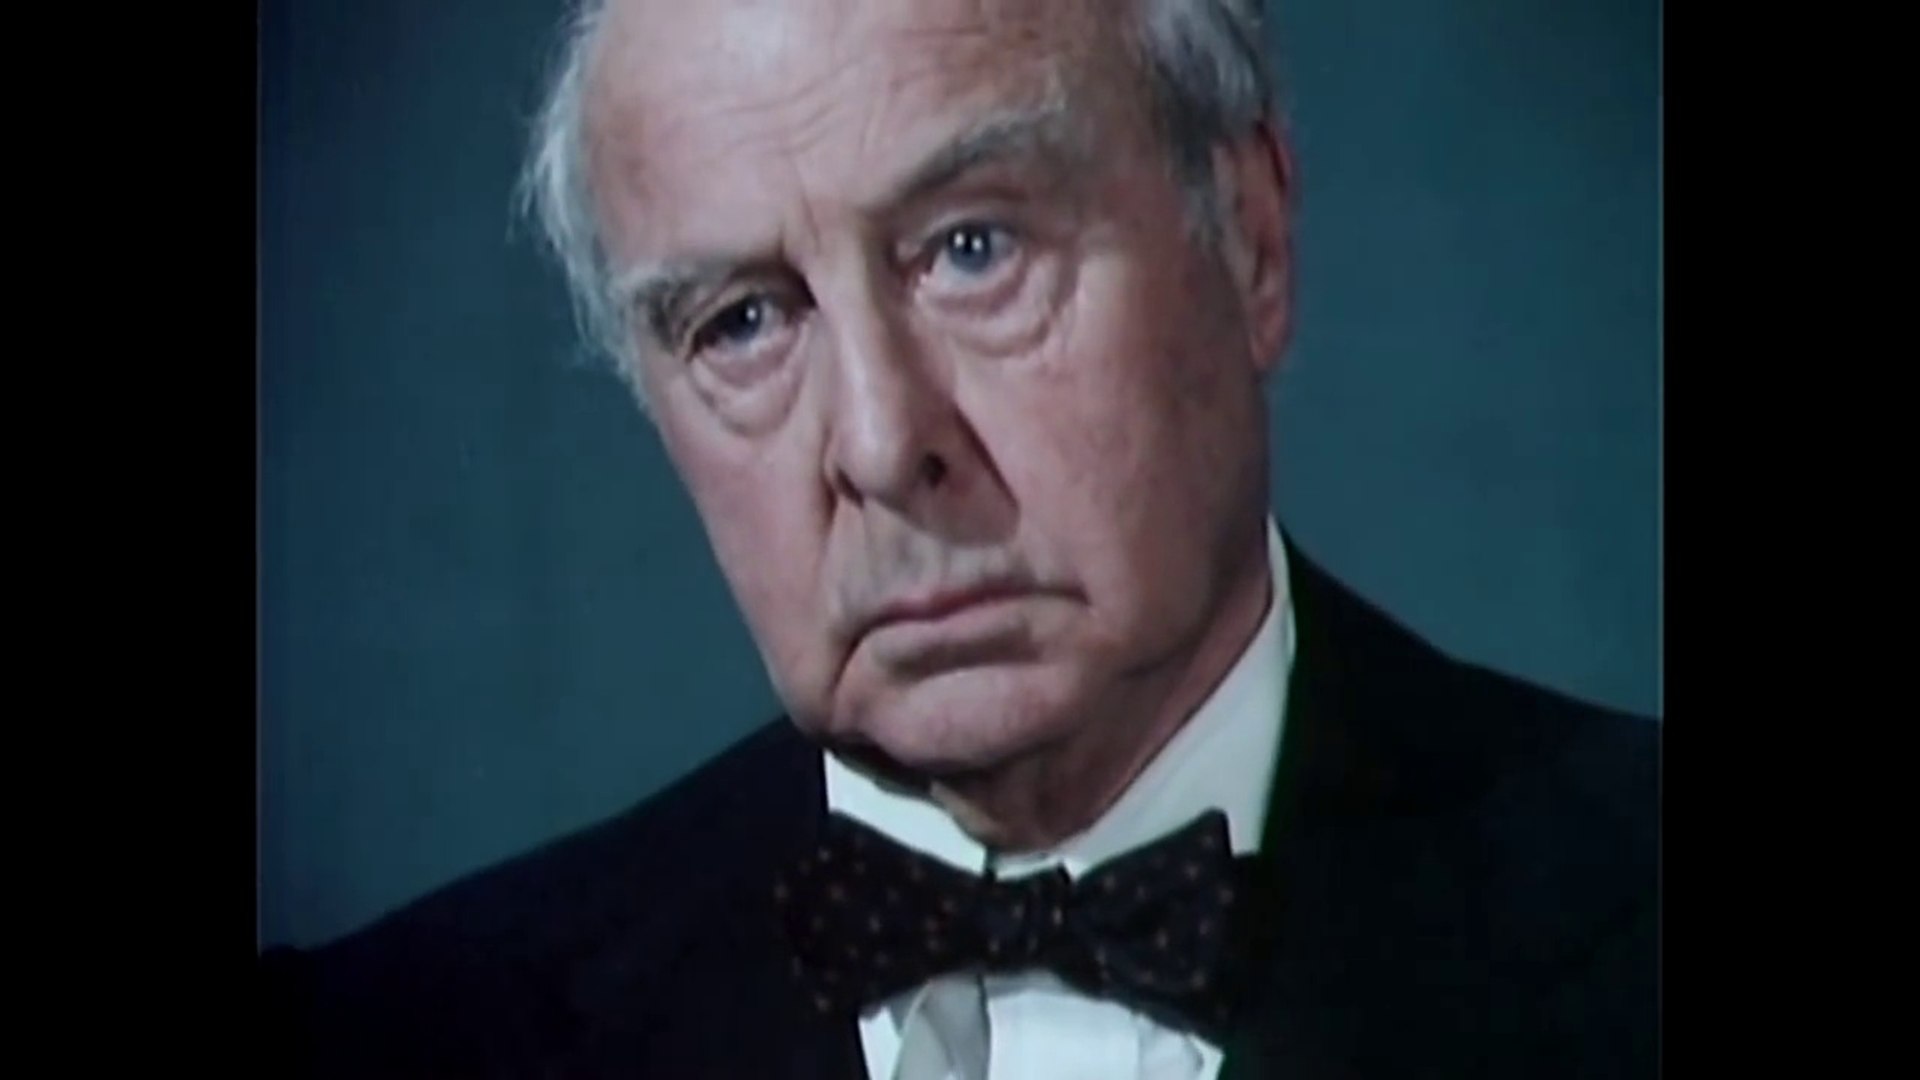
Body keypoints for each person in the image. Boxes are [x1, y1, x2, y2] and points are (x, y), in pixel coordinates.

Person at [258, 0, 1659, 1076]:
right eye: (743, 321)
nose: (880, 445)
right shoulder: (392, 1039)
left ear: (1250, 240)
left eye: (973, 249)